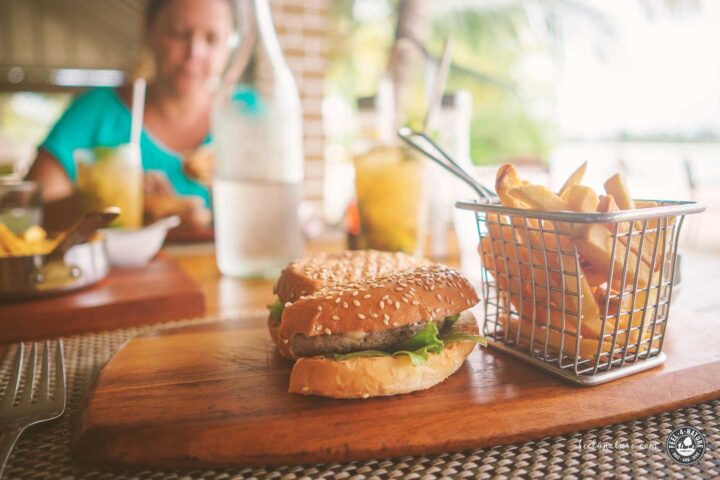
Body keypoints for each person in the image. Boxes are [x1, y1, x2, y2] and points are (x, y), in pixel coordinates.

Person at [27, 0, 233, 232]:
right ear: (149, 31)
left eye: (212, 38)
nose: (194, 52)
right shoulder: (96, 112)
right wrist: (112, 200)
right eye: (178, 33)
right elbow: (30, 213)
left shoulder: (249, 116)